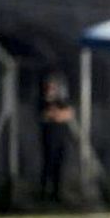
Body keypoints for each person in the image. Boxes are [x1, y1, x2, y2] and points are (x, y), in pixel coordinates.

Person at [38, 75, 74, 203]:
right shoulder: (42, 101)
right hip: (48, 138)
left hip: (61, 138)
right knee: (48, 165)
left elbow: (68, 114)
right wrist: (56, 114)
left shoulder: (61, 101)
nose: (52, 89)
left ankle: (57, 194)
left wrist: (56, 114)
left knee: (60, 165)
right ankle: (44, 193)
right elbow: (46, 115)